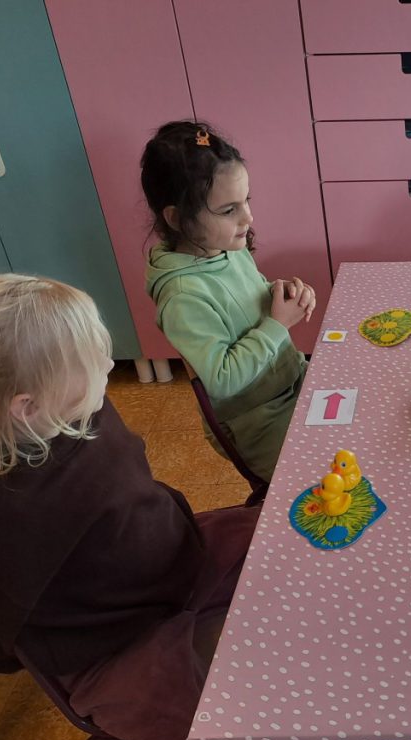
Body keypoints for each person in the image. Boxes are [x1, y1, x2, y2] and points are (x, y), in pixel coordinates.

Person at [0, 273, 258, 740]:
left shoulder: (78, 409)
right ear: (28, 407)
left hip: (173, 557)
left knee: (287, 535)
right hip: (114, 642)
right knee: (199, 735)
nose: (110, 364)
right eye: (94, 360)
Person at [141, 120, 316, 482]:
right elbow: (222, 380)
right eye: (228, 210)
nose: (248, 218)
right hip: (258, 421)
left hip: (291, 380)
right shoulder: (183, 297)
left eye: (246, 201)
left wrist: (280, 292)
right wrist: (277, 324)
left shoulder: (224, 247)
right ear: (177, 218)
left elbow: (248, 298)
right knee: (328, 482)